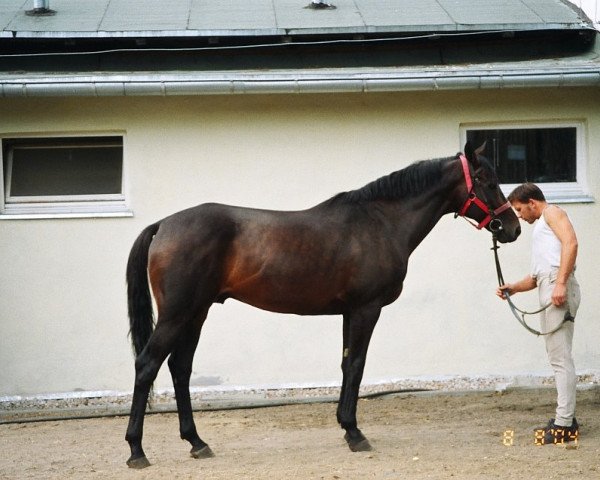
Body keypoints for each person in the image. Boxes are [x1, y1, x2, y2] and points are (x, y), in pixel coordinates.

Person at [496, 183, 581, 444]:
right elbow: (536, 278)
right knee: (557, 357)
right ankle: (567, 419)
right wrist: (514, 288)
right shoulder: (542, 228)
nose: (519, 215)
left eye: (520, 209)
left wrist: (561, 283)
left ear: (533, 202)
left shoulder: (552, 213)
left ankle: (564, 424)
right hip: (550, 284)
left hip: (558, 286)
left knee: (560, 358)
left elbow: (571, 242)